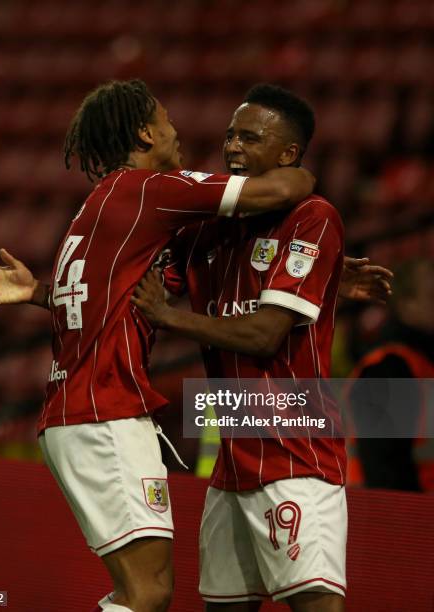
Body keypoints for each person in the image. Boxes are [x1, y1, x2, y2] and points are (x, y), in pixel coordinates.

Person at [0, 79, 316, 612]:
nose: (177, 130)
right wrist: (304, 172)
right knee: (147, 592)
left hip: (87, 413)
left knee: (143, 591)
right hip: (101, 414)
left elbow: (107, 300)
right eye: (167, 118)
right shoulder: (147, 190)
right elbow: (280, 190)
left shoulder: (103, 203)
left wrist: (39, 292)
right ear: (144, 132)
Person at [131, 84, 392, 612]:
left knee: (315, 606)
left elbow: (264, 334)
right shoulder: (209, 224)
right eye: (230, 135)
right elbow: (135, 283)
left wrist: (170, 317)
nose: (233, 147)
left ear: (288, 154)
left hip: (295, 447)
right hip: (232, 455)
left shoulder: (313, 217)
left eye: (251, 138)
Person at [348, 257, 434, 492]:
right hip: (401, 522)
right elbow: (385, 473)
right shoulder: (389, 369)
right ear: (406, 304)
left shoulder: (421, 363)